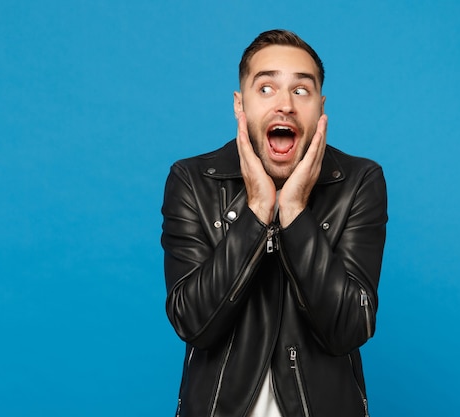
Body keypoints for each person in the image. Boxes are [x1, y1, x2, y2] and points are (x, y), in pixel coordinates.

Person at [161, 29, 387, 417]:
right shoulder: (192, 180)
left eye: (301, 91)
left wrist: (296, 210)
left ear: (320, 107)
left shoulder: (359, 181)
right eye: (266, 88)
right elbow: (192, 322)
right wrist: (257, 210)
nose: (285, 105)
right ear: (240, 104)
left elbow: (350, 328)